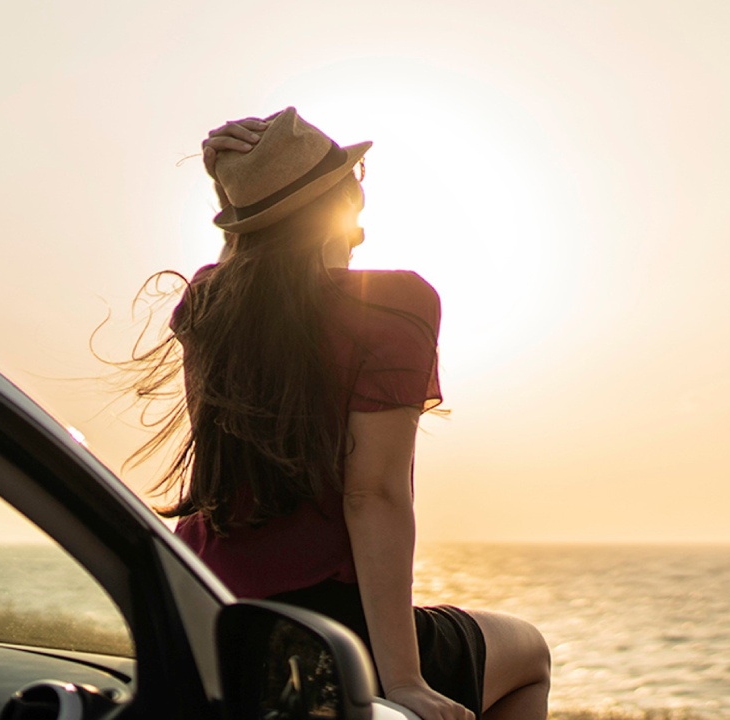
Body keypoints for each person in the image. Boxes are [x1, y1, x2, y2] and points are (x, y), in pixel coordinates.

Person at [121, 107, 551, 720]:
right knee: (528, 654)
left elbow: (243, 279)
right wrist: (402, 681)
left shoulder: (206, 306)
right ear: (337, 206)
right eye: (355, 186)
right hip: (327, 629)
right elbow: (371, 493)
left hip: (206, 608)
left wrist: (238, 192)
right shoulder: (394, 307)